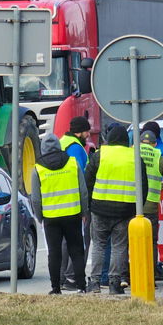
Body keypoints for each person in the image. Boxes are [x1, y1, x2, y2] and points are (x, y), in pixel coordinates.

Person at [85, 125, 147, 294]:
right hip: (125, 210)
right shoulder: (135, 157)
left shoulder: (100, 155)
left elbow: (87, 180)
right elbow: (143, 186)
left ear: (109, 139)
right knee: (119, 247)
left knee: (98, 245)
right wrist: (138, 209)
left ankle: (95, 283)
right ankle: (114, 283)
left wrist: (90, 204)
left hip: (99, 209)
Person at [31, 134, 88, 294]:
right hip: (73, 214)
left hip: (51, 218)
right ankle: (81, 286)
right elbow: (83, 191)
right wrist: (84, 212)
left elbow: (36, 199)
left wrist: (39, 217)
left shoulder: (37, 169)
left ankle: (55, 288)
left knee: (54, 253)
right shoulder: (72, 163)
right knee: (76, 251)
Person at [59, 116, 90, 289]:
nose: (88, 135)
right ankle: (72, 278)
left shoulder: (62, 142)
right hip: (74, 201)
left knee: (64, 242)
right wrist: (84, 207)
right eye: (86, 132)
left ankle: (63, 277)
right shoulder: (76, 148)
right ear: (79, 132)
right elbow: (80, 178)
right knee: (79, 241)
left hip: (57, 201)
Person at [140, 130, 163, 278]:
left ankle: (132, 274)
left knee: (131, 241)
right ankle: (150, 275)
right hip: (151, 203)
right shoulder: (158, 155)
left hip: (133, 203)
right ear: (155, 143)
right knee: (151, 242)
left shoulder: (132, 152)